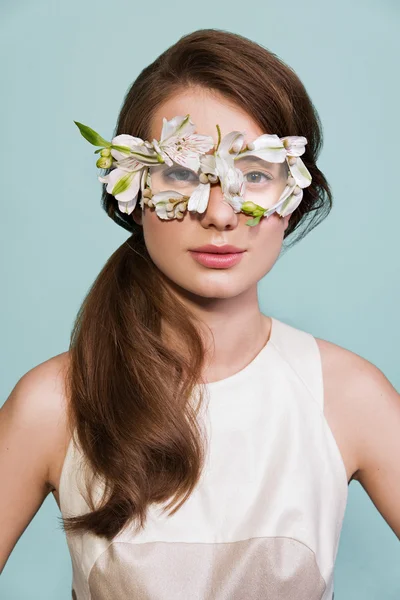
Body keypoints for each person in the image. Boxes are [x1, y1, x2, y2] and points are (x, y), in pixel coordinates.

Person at [0, 28, 399, 600]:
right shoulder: (53, 404)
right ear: (132, 190)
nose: (219, 213)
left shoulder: (349, 396)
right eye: (183, 175)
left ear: (294, 194)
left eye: (255, 174)